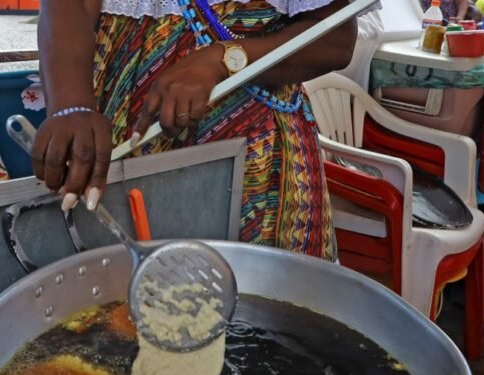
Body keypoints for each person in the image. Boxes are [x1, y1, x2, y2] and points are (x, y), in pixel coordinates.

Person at [33, 0, 362, 262]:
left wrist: (224, 60)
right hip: (125, 142)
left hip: (260, 163)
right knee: (118, 304)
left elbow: (336, 40)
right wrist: (71, 105)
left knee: (258, 309)